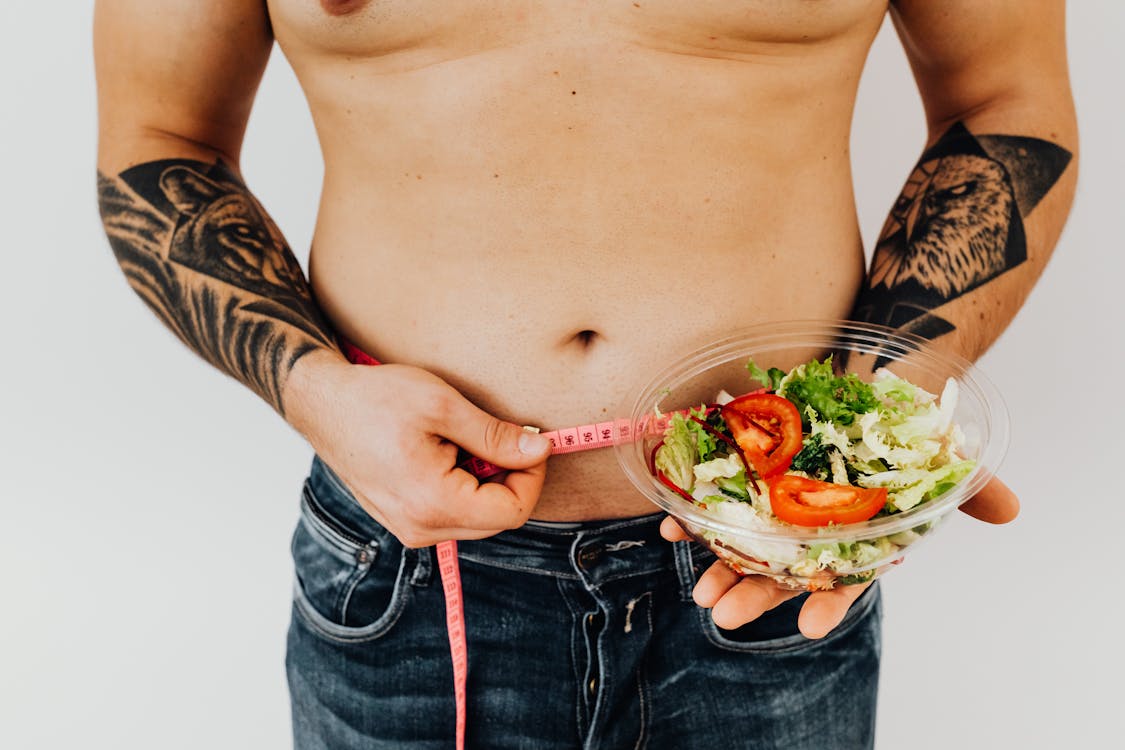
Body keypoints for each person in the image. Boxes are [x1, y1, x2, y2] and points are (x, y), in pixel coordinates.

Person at [94, 0, 1076, 747]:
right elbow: (160, 140)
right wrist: (316, 392)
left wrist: (873, 404)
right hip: (405, 563)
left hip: (772, 556)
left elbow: (1001, 97)